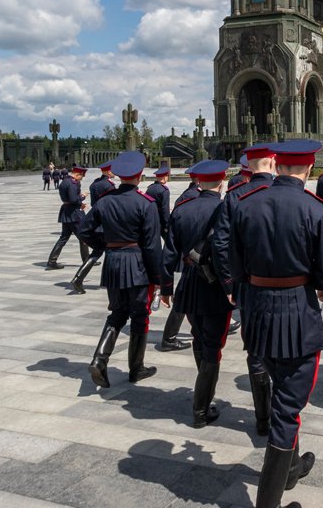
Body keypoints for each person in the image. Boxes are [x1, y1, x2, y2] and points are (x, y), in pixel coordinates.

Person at [229, 140, 323, 508]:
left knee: (281, 391)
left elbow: (234, 264)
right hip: (296, 312)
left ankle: (292, 468)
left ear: (277, 166)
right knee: (288, 409)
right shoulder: (316, 210)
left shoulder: (244, 204)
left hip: (259, 311)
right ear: (309, 170)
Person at [76, 151, 167, 387]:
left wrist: (105, 245)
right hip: (137, 265)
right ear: (139, 175)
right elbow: (151, 246)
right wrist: (158, 278)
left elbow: (84, 230)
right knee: (139, 316)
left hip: (114, 263)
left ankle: (99, 360)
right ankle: (136, 368)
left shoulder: (105, 201)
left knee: (117, 314)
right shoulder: (146, 204)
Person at [210, 142, 276, 436]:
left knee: (256, 352)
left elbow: (220, 244)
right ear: (273, 162)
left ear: (248, 165)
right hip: (289, 289)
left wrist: (229, 282)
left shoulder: (235, 197)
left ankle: (263, 420)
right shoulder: (287, 192)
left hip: (248, 289)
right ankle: (282, 420)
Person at [166, 159, 232, 427]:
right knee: (214, 346)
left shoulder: (182, 209)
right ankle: (202, 408)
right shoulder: (226, 208)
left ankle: (204, 394)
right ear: (222, 181)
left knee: (198, 337)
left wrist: (165, 286)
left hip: (190, 282)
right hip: (216, 285)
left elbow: (169, 252)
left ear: (198, 182)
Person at [146, 165, 191, 352]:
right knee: (186, 295)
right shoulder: (163, 191)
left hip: (151, 226)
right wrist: (167, 232)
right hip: (160, 228)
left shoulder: (150, 188)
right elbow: (165, 213)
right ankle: (170, 337)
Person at [68, 161, 116, 294]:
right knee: (109, 251)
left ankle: (78, 279)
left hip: (96, 221)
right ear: (106, 171)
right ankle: (107, 281)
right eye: (112, 170)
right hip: (105, 223)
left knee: (98, 251)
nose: (114, 172)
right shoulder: (108, 185)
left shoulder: (95, 183)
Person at [45, 165, 90, 270]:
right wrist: (83, 196)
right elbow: (74, 199)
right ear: (77, 174)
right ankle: (87, 260)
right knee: (83, 237)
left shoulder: (65, 181)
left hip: (67, 212)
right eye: (81, 177)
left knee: (63, 238)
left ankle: (52, 261)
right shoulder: (72, 184)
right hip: (73, 214)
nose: (81, 179)